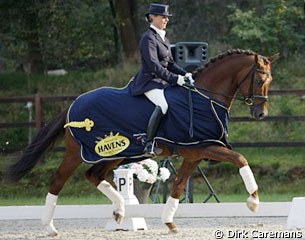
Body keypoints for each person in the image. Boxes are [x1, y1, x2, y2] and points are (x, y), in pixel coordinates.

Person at [130, 3, 194, 156]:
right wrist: (175, 79)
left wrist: (185, 75)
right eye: (163, 17)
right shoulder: (148, 38)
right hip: (149, 82)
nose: (166, 20)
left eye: (167, 17)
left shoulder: (164, 38)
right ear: (152, 17)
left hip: (162, 81)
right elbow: (154, 66)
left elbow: (170, 64)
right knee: (163, 105)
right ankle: (149, 144)